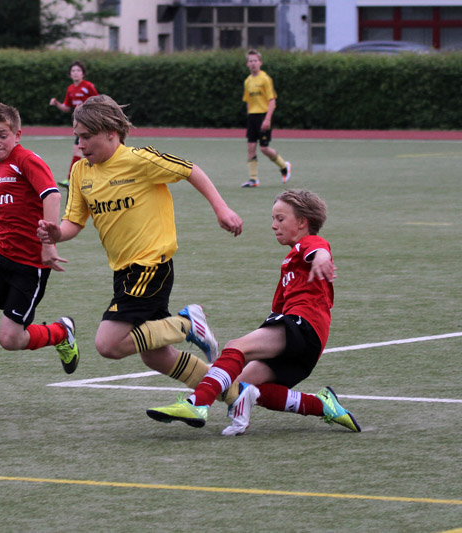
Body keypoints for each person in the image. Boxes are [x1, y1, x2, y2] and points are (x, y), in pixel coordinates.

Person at [37, 94, 246, 412]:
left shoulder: (140, 160)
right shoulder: (80, 172)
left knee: (108, 343)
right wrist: (56, 235)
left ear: (111, 132)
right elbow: (74, 223)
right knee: (156, 356)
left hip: (150, 266)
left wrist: (222, 209)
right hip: (123, 272)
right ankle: (236, 395)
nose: (80, 144)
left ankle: (186, 323)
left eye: (87, 136)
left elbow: (190, 170)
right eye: (77, 137)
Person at [147, 190, 361, 435]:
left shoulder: (307, 244)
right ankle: (323, 405)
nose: (273, 225)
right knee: (244, 386)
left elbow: (320, 248)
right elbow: (276, 312)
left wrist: (322, 258)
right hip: (309, 341)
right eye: (273, 219)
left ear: (302, 222)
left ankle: (197, 404)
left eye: (280, 219)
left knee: (236, 347)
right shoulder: (290, 261)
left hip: (304, 326)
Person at [0, 102, 80, 408]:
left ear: (17, 135)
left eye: (2, 136)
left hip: (29, 267)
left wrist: (48, 244)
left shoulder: (26, 161)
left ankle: (60, 332)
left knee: (10, 339)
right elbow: (0, 224)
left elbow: (53, 195)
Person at [241, 49, 291, 188]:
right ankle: (253, 179)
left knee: (264, 148)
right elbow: (248, 101)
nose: (253, 63)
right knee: (251, 147)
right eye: (250, 61)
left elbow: (272, 100)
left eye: (255, 61)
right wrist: (249, 116)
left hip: (263, 115)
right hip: (252, 117)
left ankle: (284, 166)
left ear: (260, 63)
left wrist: (267, 119)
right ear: (247, 64)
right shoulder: (248, 81)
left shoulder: (265, 79)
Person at [48, 60, 98, 188]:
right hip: (80, 124)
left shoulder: (88, 86)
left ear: (83, 74)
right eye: (73, 71)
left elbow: (98, 102)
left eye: (78, 71)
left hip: (89, 122)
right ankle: (72, 179)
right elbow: (66, 107)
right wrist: (56, 103)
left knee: (84, 150)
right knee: (79, 150)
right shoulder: (70, 89)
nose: (75, 73)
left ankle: (77, 178)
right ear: (70, 74)